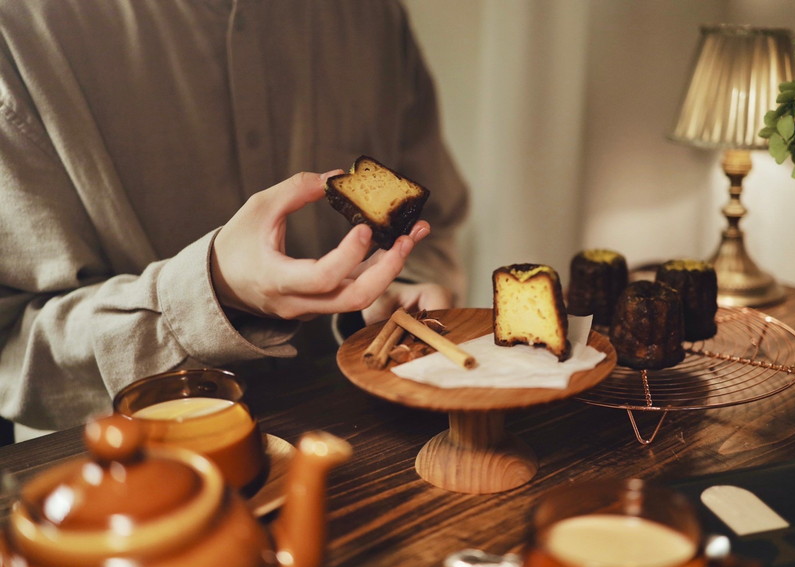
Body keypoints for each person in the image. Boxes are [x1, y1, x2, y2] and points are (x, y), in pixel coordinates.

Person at [0, 0, 468, 440]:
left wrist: (396, 294)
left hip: (368, 437)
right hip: (122, 475)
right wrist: (214, 290)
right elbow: (11, 350)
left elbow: (435, 222)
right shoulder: (18, 32)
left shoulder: (372, 15)